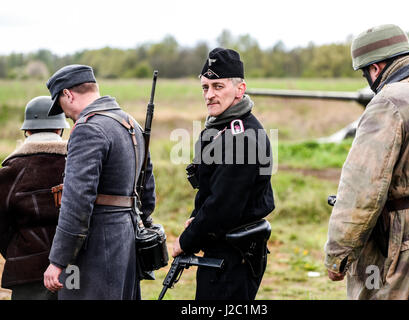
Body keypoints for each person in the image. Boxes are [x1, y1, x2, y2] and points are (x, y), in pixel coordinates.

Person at [325, 24, 409, 299]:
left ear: (376, 68)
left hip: (399, 239)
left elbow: (363, 186)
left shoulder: (389, 102)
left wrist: (339, 253)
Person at [42, 64, 156, 299]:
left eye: (61, 106)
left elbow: (77, 200)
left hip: (96, 246)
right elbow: (147, 191)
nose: (64, 114)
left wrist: (58, 260)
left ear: (68, 94)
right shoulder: (130, 124)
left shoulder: (88, 128)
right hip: (127, 239)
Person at [172, 48, 275, 300]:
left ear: (240, 89)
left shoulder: (243, 137)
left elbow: (223, 206)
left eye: (218, 86)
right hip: (220, 248)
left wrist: (185, 241)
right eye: (205, 88)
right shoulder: (219, 128)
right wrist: (196, 219)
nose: (209, 95)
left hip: (235, 255)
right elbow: (210, 189)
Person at [0, 96, 69, 300]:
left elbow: (1, 228)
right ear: (60, 130)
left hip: (26, 271)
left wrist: (18, 252)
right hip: (75, 270)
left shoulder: (9, 173)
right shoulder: (78, 166)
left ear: (27, 131)